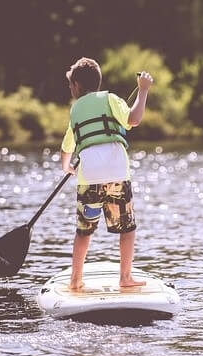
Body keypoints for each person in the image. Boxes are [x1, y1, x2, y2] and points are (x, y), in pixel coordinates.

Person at [61, 57, 153, 291]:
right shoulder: (111, 99)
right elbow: (134, 119)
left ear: (78, 86)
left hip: (88, 176)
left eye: (71, 85)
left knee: (84, 231)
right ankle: (125, 278)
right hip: (117, 173)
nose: (71, 89)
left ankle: (75, 280)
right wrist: (143, 91)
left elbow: (67, 147)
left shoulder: (75, 110)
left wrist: (66, 166)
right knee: (127, 228)